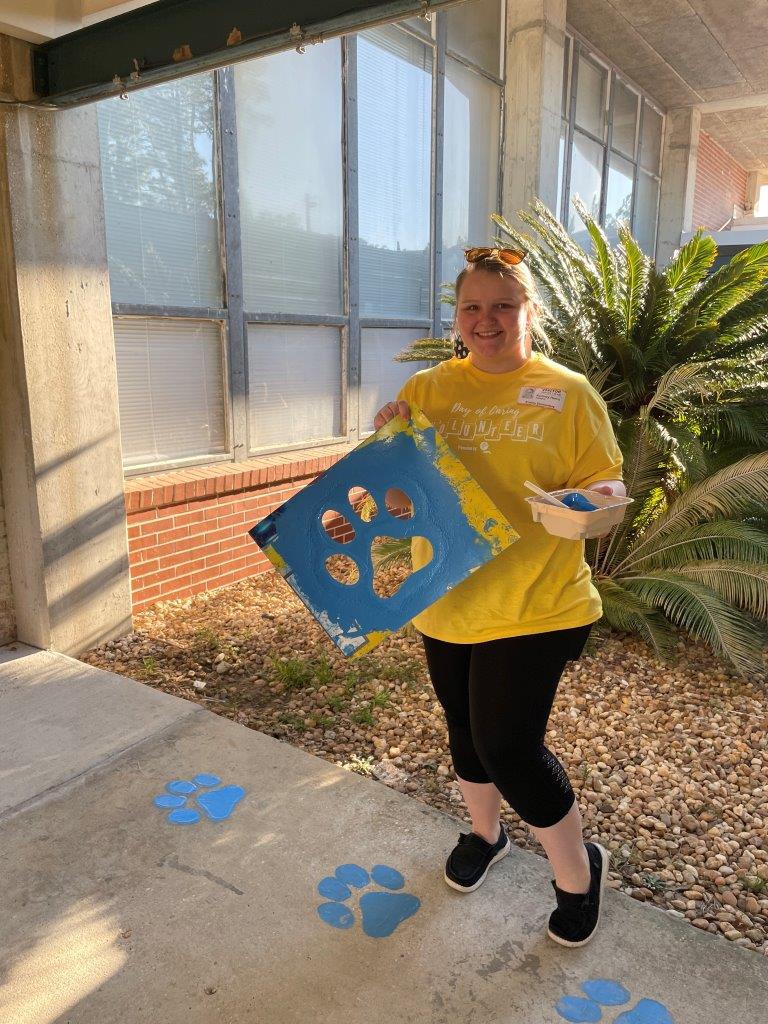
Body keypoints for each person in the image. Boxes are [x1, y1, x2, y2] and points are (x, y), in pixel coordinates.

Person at [373, 246, 625, 948]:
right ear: (456, 317)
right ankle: (486, 837)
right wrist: (388, 446)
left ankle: (578, 873)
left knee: (510, 746)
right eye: (472, 308)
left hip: (540, 600)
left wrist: (584, 502)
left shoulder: (569, 393)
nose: (486, 321)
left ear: (530, 313)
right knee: (463, 728)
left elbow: (607, 487)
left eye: (503, 306)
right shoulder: (427, 391)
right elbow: (400, 507)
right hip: (447, 595)